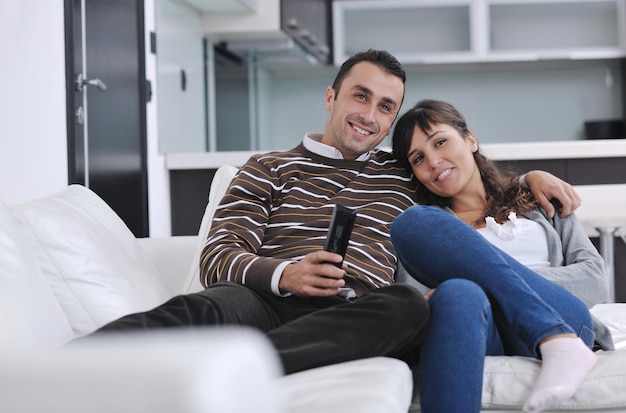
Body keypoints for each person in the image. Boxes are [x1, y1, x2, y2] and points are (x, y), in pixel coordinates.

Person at [86, 51, 581, 377]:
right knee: (206, 305)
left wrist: (525, 181)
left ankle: (245, 369)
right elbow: (218, 254)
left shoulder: (402, 170)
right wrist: (286, 274)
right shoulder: (267, 168)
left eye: (386, 107)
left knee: (408, 307)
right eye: (360, 96)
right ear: (331, 96)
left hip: (358, 312)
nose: (370, 115)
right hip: (264, 301)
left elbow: (456, 175)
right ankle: (66, 366)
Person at [390, 99, 612, 413]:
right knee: (444, 271)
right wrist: (484, 282)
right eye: (418, 158)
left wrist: (488, 276)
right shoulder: (434, 231)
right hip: (484, 329)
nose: (434, 161)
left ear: (469, 139)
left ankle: (555, 336)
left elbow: (595, 280)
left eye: (440, 142)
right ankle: (555, 340)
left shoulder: (538, 200)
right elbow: (420, 301)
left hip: (563, 314)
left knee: (464, 283)